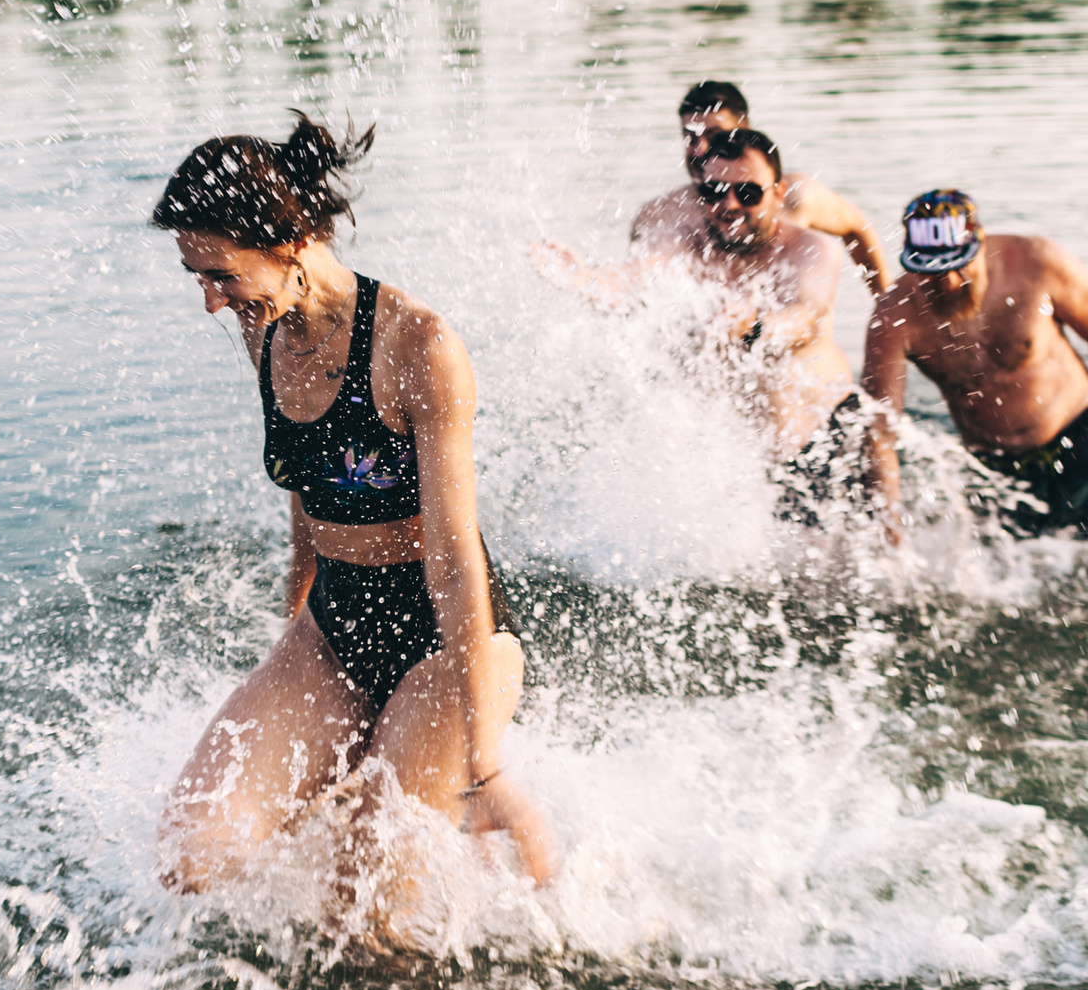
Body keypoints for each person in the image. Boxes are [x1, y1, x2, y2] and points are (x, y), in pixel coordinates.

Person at [150, 115, 557, 895]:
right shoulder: (262, 326)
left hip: (449, 644)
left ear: (291, 244)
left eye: (222, 275)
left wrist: (485, 766)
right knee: (188, 856)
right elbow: (308, 482)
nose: (209, 301)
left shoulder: (418, 348)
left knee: (357, 901)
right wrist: (293, 619)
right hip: (339, 621)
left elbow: (453, 555)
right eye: (195, 277)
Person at [538, 126, 863, 519]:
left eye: (747, 193)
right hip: (742, 462)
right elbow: (634, 277)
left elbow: (807, 317)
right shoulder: (684, 240)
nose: (728, 205)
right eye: (712, 192)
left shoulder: (809, 249)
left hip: (821, 437)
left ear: (777, 193)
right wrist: (585, 280)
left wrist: (756, 327)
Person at [860, 190, 1088, 537]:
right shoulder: (895, 317)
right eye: (931, 273)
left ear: (979, 243)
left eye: (956, 266)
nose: (947, 282)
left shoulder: (1039, 264)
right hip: (992, 467)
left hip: (1080, 438)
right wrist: (888, 527)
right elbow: (880, 431)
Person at [629, 81, 891, 295]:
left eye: (713, 135)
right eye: (690, 137)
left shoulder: (796, 196)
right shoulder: (657, 215)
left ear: (745, 133)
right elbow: (634, 285)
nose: (700, 149)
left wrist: (884, 304)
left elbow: (857, 228)